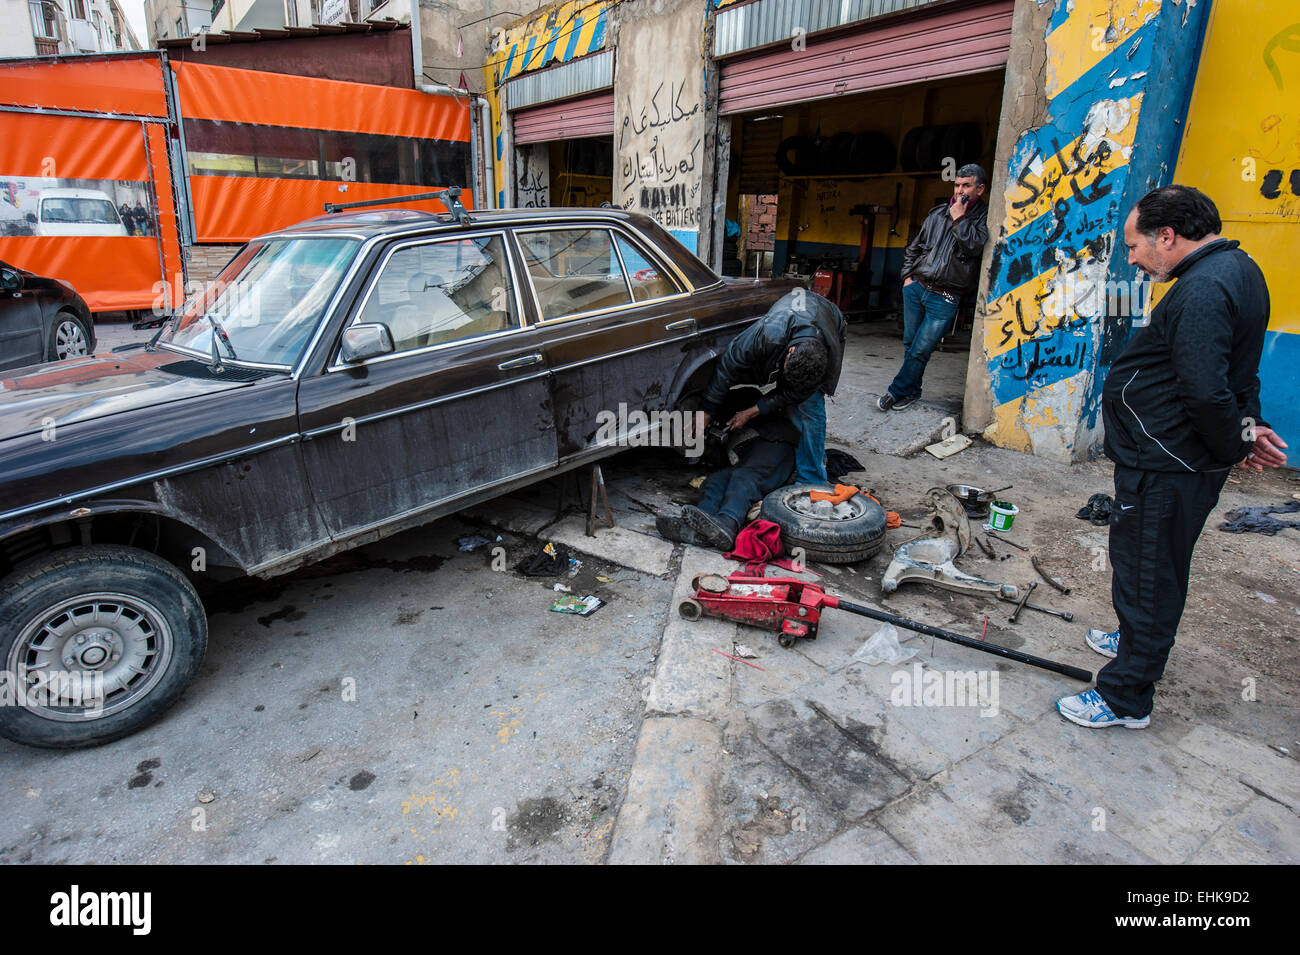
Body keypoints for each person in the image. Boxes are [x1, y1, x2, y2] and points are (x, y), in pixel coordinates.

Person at [1057, 185, 1288, 729]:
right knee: (1157, 565)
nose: (1133, 258)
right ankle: (1136, 638)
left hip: (1166, 465)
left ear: (1168, 235)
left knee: (1146, 574)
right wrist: (1248, 429)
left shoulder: (1204, 289)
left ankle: (1124, 696)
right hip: (1178, 461)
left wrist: (1235, 443)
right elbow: (1241, 372)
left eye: (1136, 246)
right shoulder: (1239, 269)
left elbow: (1208, 391)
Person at [695, 288, 845, 492]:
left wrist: (751, 412)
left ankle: (812, 479)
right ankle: (796, 447)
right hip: (793, 314)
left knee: (810, 408)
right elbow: (729, 363)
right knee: (791, 407)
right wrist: (707, 409)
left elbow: (796, 393)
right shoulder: (770, 332)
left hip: (829, 317)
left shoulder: (825, 356)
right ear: (790, 351)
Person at [877, 164, 989, 411]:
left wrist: (959, 217)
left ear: (979, 189)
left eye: (966, 186)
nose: (960, 190)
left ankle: (895, 392)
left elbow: (974, 248)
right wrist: (908, 278)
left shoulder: (984, 218)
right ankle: (912, 392)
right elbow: (914, 248)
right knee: (911, 345)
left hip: (946, 296)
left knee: (921, 348)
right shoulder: (937, 214)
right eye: (957, 185)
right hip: (917, 288)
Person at [656, 411, 798, 550]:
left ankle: (728, 523)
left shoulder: (754, 413)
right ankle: (701, 525)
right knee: (715, 480)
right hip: (745, 458)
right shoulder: (724, 436)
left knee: (744, 477)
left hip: (775, 444)